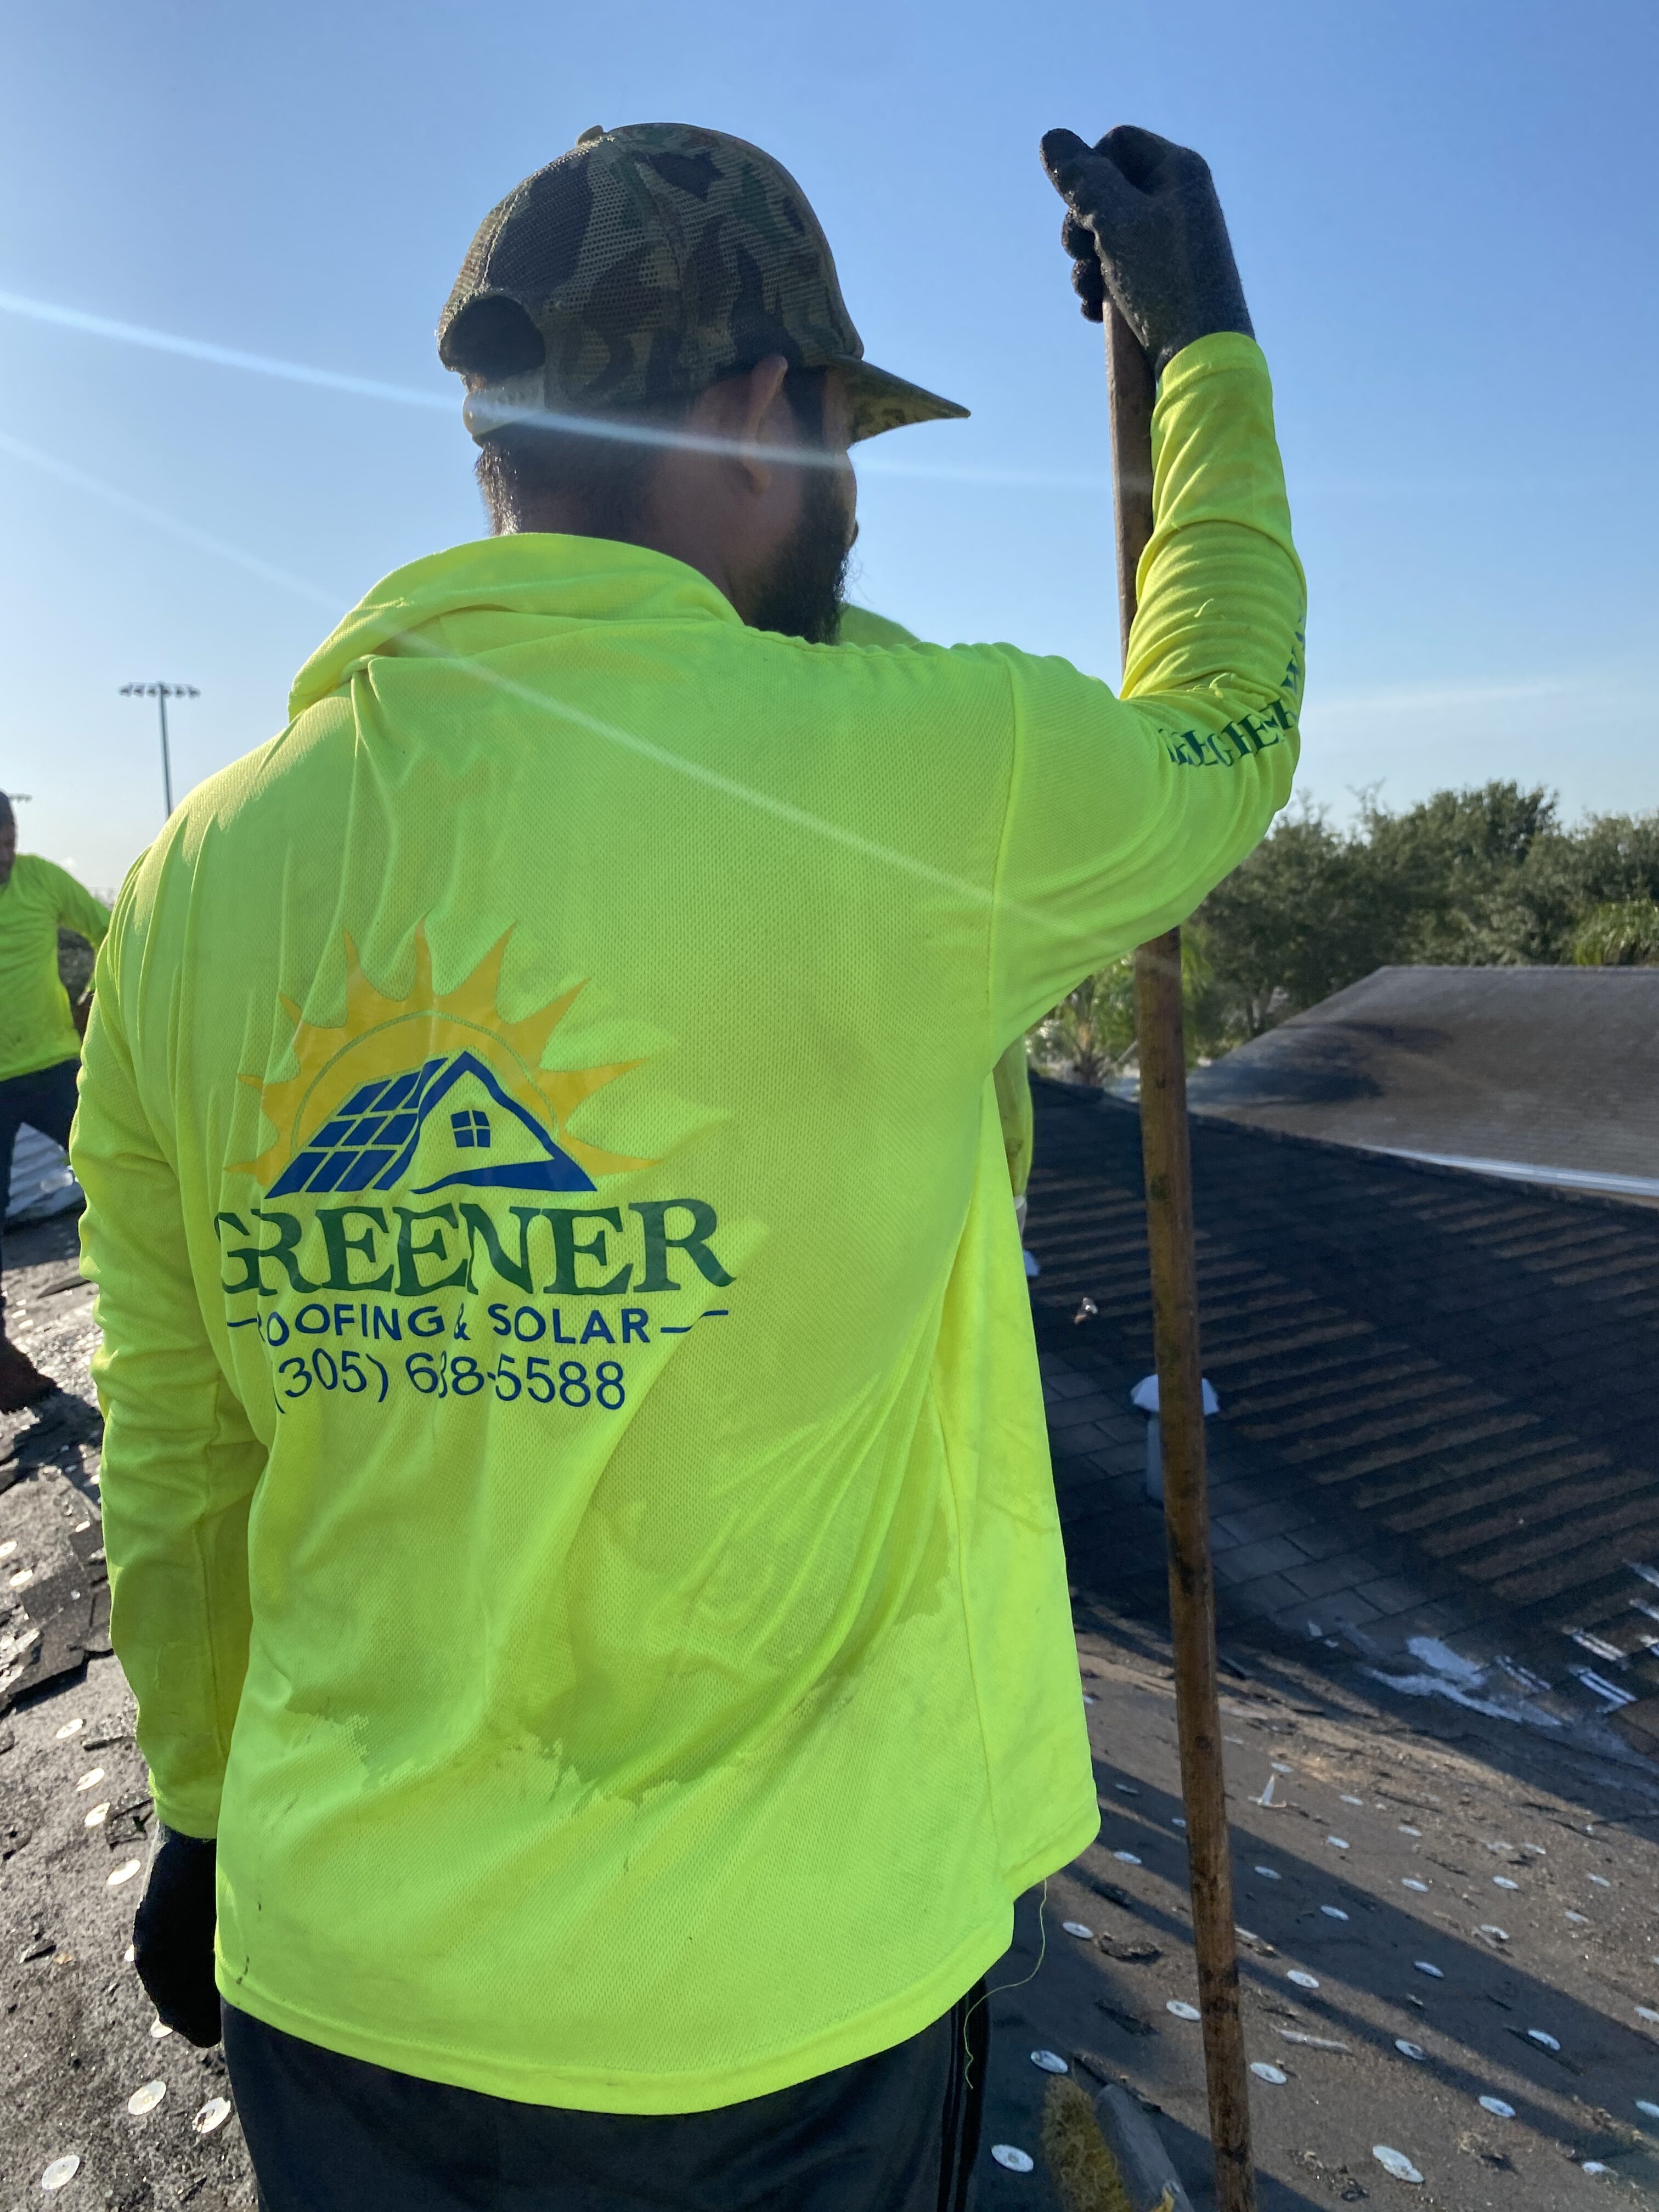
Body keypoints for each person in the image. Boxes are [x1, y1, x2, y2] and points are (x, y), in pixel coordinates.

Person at [74, 120, 1303, 2210]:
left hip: (333, 1976)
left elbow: (181, 1437)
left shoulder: (195, 873)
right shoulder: (910, 782)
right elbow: (1226, 723)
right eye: (841, 441)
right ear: (764, 412)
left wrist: (200, 1807)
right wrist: (1207, 361)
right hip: (769, 2031)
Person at [0, 793, 109, 1411]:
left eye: (10, 839)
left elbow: (107, 927)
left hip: (51, 1068)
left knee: (118, 1172)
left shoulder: (40, 881)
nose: (6, 855)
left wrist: (96, 993)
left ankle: (157, 1303)